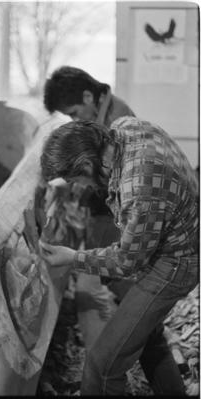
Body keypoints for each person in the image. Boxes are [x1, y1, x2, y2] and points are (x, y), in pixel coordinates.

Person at [39, 117, 199, 396]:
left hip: (177, 262)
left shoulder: (139, 186)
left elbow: (126, 261)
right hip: (179, 238)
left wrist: (72, 257)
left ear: (87, 165)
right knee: (148, 338)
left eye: (75, 180)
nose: (81, 187)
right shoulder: (125, 128)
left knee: (102, 366)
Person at [43, 66, 136, 327]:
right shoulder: (104, 112)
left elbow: (110, 178)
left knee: (97, 286)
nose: (73, 121)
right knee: (107, 284)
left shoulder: (116, 122)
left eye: (73, 113)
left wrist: (75, 185)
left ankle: (113, 356)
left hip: (113, 214)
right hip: (108, 211)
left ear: (87, 97)